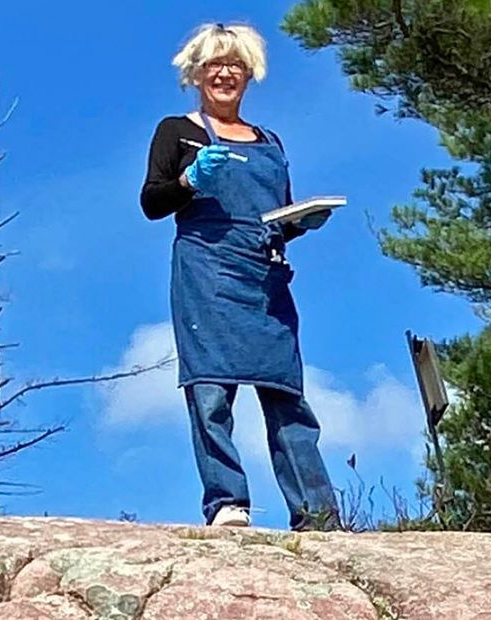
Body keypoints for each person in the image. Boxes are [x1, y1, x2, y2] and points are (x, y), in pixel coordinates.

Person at [139, 22, 340, 531]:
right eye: (214, 64)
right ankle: (227, 503)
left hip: (265, 278)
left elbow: (274, 215)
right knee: (210, 392)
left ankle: (317, 513)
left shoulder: (269, 140)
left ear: (250, 73)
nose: (225, 73)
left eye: (235, 64)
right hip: (205, 272)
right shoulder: (175, 131)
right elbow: (152, 202)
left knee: (287, 396)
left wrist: (300, 222)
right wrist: (189, 179)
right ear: (196, 73)